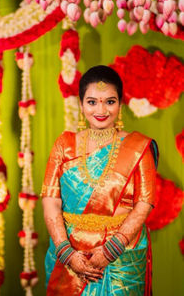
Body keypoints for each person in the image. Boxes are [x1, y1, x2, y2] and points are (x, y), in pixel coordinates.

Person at [41, 65, 158, 296]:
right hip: (69, 253)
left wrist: (110, 251)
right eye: (92, 102)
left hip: (121, 259)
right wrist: (66, 253)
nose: (101, 110)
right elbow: (50, 201)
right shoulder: (64, 145)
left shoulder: (138, 148)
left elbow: (144, 204)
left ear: (120, 104)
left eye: (110, 101)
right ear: (81, 103)